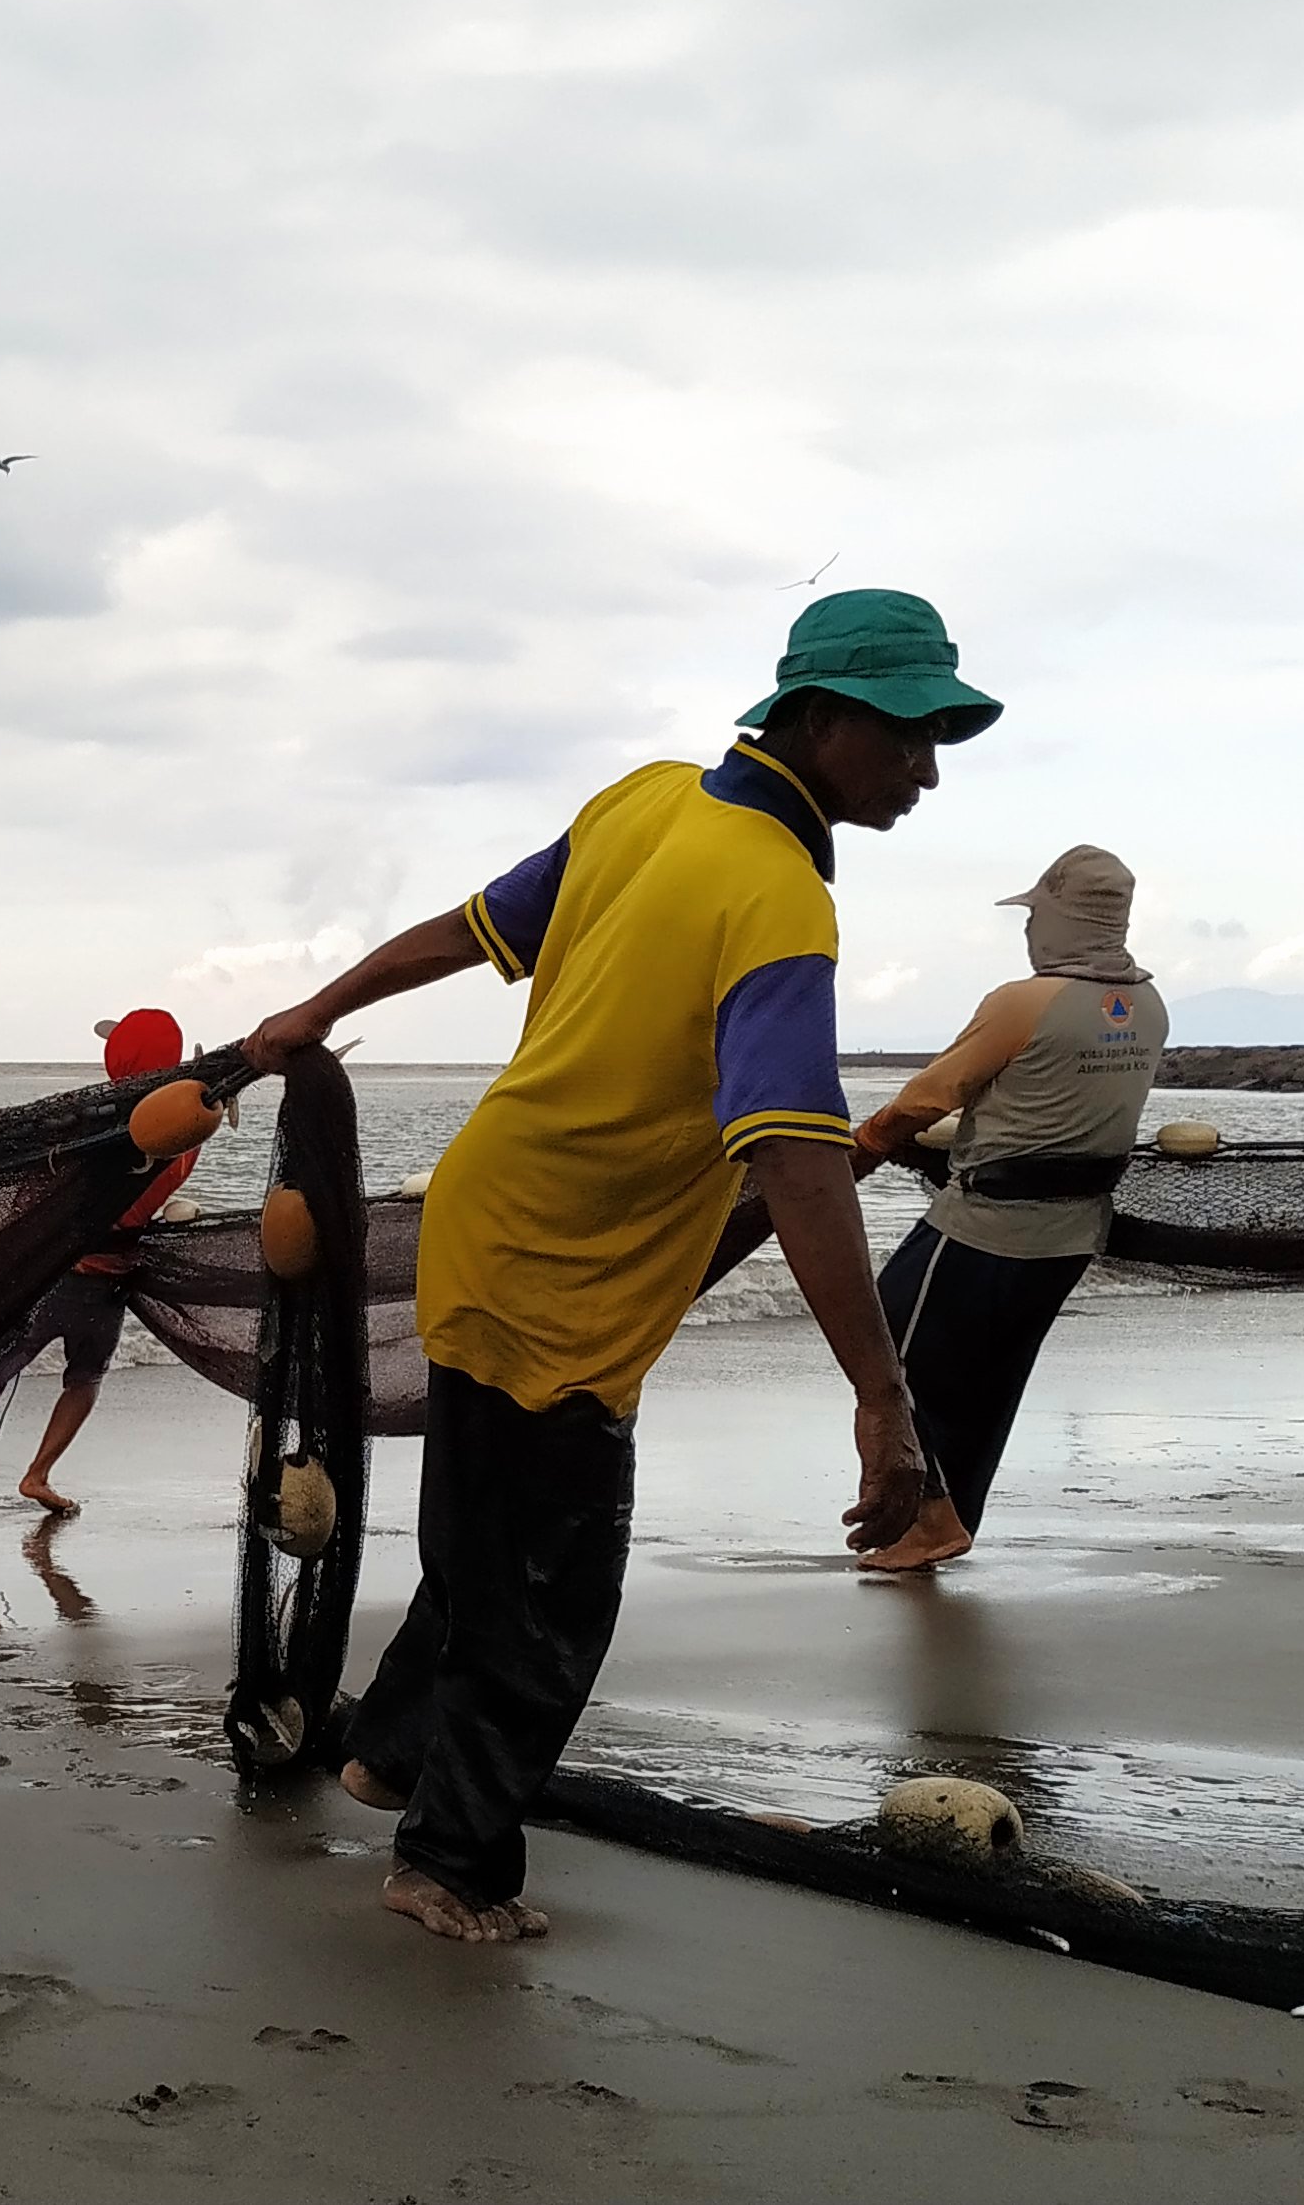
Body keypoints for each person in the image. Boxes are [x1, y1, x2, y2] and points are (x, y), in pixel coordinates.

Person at [244, 587, 991, 1943]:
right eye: (907, 732)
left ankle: (393, 1752)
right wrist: (882, 1400)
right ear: (821, 720)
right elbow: (797, 1159)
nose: (926, 768)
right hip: (561, 1284)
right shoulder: (775, 902)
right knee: (555, 1597)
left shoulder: (645, 801)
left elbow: (465, 932)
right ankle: (448, 1861)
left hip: (487, 1221)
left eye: (939, 736)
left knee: (484, 1543)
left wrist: (324, 1000)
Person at [843, 845, 1169, 1571]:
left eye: (1035, 917)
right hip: (1073, 1232)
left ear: (1059, 919)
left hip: (988, 1224)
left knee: (883, 1344)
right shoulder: (1148, 1007)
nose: (1027, 933)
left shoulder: (1024, 1002)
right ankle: (951, 1521)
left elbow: (931, 1095)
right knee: (991, 1376)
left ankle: (929, 1518)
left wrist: (862, 1148)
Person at [0, 1008, 202, 1520]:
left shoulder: (103, 1123)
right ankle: (38, 1475)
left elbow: (52, 1172)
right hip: (114, 1284)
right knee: (85, 1378)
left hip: (56, 1277)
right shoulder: (188, 1128)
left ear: (119, 1057)